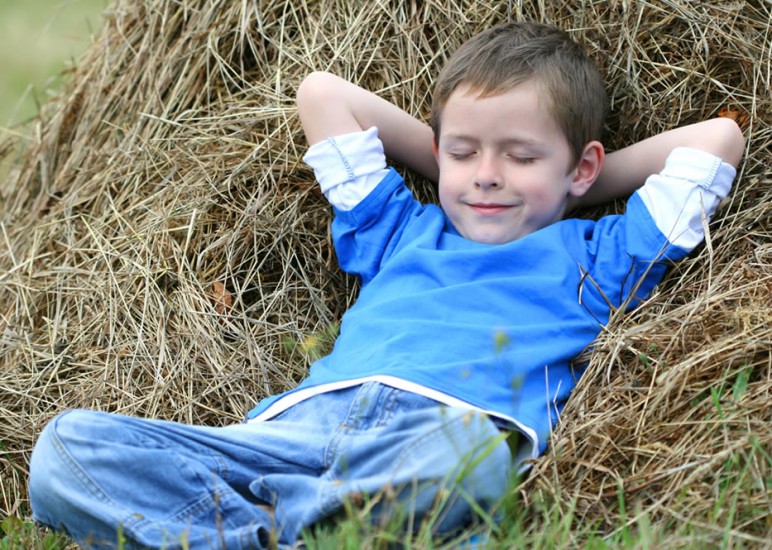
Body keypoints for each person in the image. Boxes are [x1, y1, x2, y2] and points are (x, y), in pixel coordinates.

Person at [28, 21, 744, 549]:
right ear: (438, 155)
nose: (488, 173)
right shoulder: (401, 229)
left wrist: (569, 188)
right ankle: (287, 535)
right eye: (464, 152)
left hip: (433, 441)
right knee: (66, 449)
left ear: (583, 168)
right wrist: (453, 166)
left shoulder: (599, 254)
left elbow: (716, 140)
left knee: (475, 466)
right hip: (290, 436)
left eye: (520, 156)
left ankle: (251, 535)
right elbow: (324, 93)